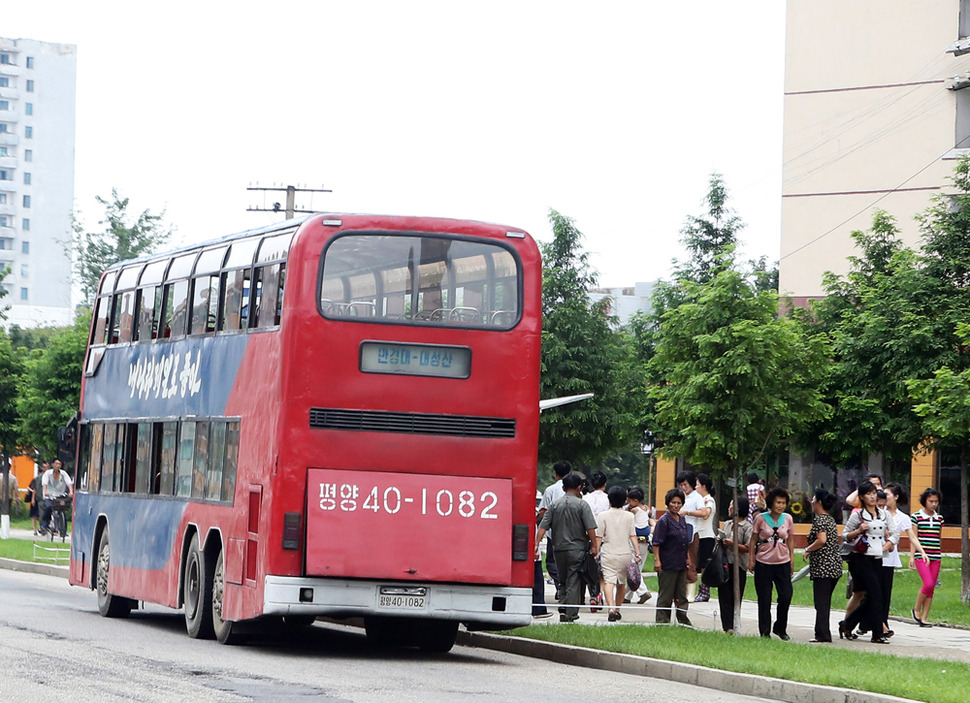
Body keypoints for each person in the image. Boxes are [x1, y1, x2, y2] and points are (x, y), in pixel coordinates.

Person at [838, 480, 897, 643]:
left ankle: (847, 624)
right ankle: (877, 634)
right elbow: (844, 535)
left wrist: (888, 544)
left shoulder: (884, 514)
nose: (872, 497)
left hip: (878, 558)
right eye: (868, 494)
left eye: (873, 494)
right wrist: (859, 530)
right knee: (875, 595)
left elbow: (894, 533)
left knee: (871, 596)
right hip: (861, 558)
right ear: (862, 497)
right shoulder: (858, 514)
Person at [535, 472, 598, 623]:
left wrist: (536, 544)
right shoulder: (582, 505)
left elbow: (543, 526)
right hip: (577, 549)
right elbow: (590, 528)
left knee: (562, 578)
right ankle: (570, 612)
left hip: (558, 549)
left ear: (563, 488)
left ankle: (563, 606)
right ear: (579, 487)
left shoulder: (554, 505)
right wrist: (594, 545)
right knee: (574, 579)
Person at [748, 487, 794, 639]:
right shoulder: (760, 518)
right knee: (764, 598)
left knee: (786, 596)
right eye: (778, 502)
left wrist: (792, 559)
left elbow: (791, 539)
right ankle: (765, 631)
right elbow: (753, 539)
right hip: (763, 563)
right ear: (771, 503)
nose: (781, 506)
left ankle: (780, 628)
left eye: (783, 503)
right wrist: (751, 559)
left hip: (783, 562)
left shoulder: (788, 518)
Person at [881, 484, 927, 636]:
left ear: (895, 497)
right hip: (874, 556)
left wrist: (921, 552)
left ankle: (882, 623)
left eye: (887, 494)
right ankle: (877, 625)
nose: (884, 497)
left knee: (885, 594)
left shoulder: (903, 518)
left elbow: (912, 537)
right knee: (872, 592)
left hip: (889, 558)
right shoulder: (878, 513)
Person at [595, 486, 640, 622]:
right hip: (624, 553)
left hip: (608, 553)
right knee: (621, 583)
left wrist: (595, 552)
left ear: (609, 500)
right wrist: (637, 553)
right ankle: (618, 609)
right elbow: (633, 536)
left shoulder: (603, 516)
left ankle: (611, 608)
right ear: (625, 500)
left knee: (609, 581)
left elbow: (599, 537)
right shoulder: (629, 516)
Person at [803, 489, 841, 642]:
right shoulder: (830, 519)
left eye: (813, 498)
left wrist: (807, 549)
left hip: (823, 567)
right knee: (823, 601)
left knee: (821, 602)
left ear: (818, 502)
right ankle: (822, 632)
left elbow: (822, 540)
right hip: (834, 566)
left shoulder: (820, 520)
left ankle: (822, 634)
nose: (811, 501)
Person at [652, 488, 692, 626]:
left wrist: (687, 558)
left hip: (680, 563)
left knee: (681, 595)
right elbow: (656, 542)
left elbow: (684, 540)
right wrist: (657, 560)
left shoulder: (682, 519)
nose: (676, 506)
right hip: (667, 563)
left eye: (679, 503)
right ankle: (662, 622)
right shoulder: (664, 521)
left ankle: (683, 621)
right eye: (673, 503)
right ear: (668, 503)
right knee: (666, 596)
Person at [716, 496, 752, 633]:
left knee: (736, 595)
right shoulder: (727, 524)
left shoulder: (747, 527)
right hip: (725, 563)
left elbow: (748, 547)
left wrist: (734, 544)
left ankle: (735, 622)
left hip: (739, 565)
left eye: (731, 506)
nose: (729, 508)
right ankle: (727, 626)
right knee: (724, 595)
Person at [536, 461, 570, 598]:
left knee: (552, 563)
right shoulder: (575, 490)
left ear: (556, 474)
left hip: (554, 532)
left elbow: (543, 512)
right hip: (573, 533)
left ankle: (560, 585)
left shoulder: (550, 490)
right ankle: (566, 587)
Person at [911, 487, 944, 627]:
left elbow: (939, 537)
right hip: (921, 555)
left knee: (932, 587)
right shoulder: (916, 516)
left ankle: (924, 618)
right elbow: (913, 538)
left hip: (936, 555)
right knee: (928, 583)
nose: (933, 504)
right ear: (924, 501)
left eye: (936, 501)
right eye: (931, 501)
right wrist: (912, 557)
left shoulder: (939, 518)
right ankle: (916, 609)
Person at [583, 471, 610, 610]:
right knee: (603, 569)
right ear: (605, 484)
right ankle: (600, 594)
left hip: (588, 536)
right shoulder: (608, 499)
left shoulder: (585, 499)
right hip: (605, 538)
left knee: (590, 567)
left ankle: (594, 594)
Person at [624, 486, 653, 604]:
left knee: (632, 569)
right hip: (645, 542)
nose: (628, 503)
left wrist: (627, 510)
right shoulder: (646, 508)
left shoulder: (634, 510)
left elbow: (626, 518)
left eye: (630, 501)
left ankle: (643, 592)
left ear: (635, 501)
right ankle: (627, 596)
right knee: (636, 569)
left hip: (635, 541)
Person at [691, 473, 717, 603]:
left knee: (704, 565)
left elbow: (705, 515)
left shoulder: (709, 500)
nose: (695, 487)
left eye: (697, 484)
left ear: (703, 486)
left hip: (706, 536)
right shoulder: (699, 500)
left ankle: (704, 591)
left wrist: (690, 512)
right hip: (697, 535)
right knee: (696, 564)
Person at [677, 471, 702, 600]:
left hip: (691, 531)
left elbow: (703, 512)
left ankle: (690, 592)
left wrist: (688, 512)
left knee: (691, 561)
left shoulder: (696, 497)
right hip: (678, 531)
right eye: (681, 485)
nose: (683, 487)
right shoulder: (680, 496)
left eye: (685, 484)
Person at [41, 459, 74, 537]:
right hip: (49, 495)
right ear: (53, 464)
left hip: (60, 495)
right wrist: (45, 491)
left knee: (62, 510)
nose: (58, 465)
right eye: (56, 463)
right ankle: (45, 524)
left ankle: (63, 530)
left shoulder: (63, 473)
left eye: (59, 464)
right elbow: (44, 483)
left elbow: (69, 483)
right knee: (49, 507)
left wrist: (71, 491)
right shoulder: (48, 473)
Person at [29, 465, 46, 535]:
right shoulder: (37, 478)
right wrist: (33, 498)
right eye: (45, 467)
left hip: (46, 498)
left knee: (44, 514)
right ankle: (35, 529)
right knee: (35, 515)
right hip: (38, 498)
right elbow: (33, 488)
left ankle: (42, 528)